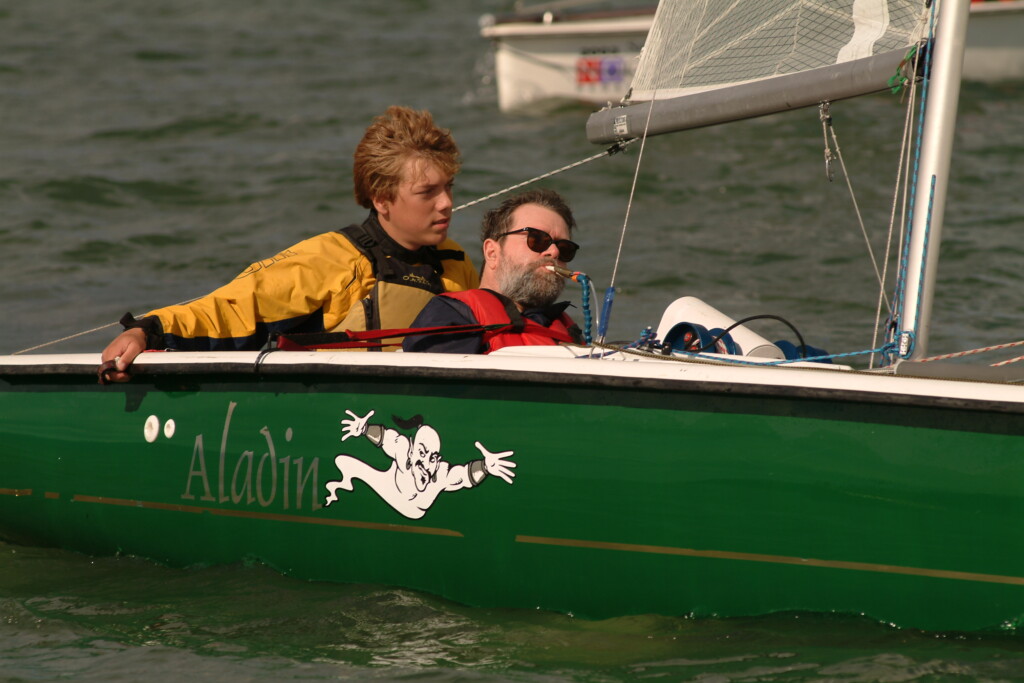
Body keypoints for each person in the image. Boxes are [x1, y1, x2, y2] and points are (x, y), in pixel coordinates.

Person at [99, 106, 480, 382]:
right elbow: (233, 308)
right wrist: (147, 331)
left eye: (448, 188)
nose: (446, 202)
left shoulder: (455, 263)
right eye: (427, 192)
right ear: (382, 199)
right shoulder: (333, 261)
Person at [402, 188, 584, 354]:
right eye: (537, 239)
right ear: (492, 253)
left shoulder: (569, 332)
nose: (554, 252)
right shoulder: (454, 314)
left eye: (565, 248)